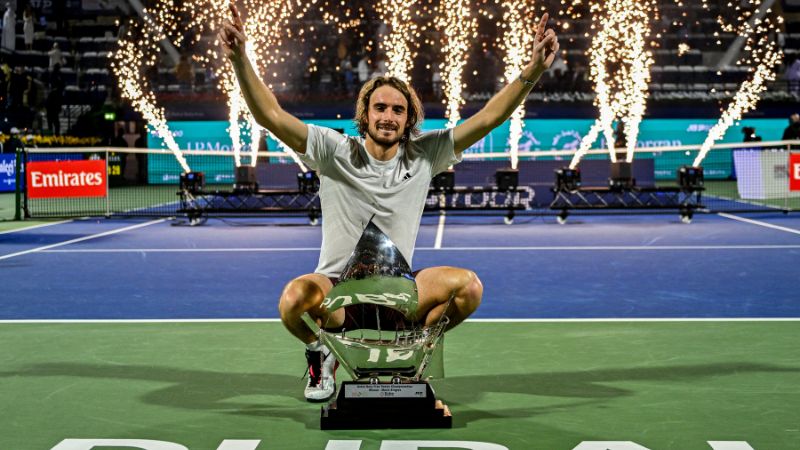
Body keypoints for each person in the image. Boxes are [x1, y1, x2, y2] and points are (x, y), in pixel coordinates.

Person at [219, 4, 559, 402]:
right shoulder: (333, 150)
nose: (388, 116)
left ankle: (414, 345)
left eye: (398, 110)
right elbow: (270, 115)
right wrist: (241, 58)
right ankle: (320, 352)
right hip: (337, 295)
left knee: (469, 288)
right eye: (380, 107)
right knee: (294, 299)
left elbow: (488, 118)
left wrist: (533, 69)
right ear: (365, 114)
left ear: (408, 118)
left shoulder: (425, 154)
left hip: (400, 294)